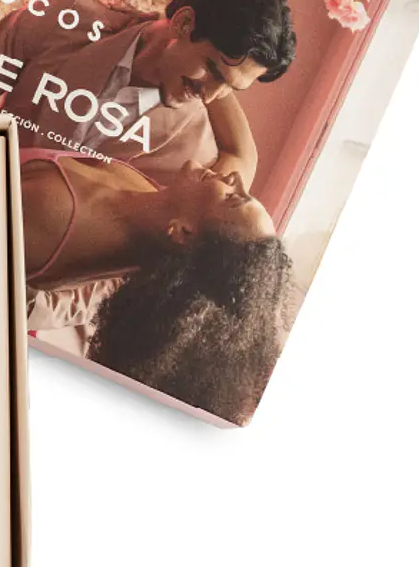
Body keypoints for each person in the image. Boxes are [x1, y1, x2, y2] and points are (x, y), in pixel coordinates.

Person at [0, 0, 296, 190]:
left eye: (229, 88)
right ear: (183, 22)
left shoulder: (194, 153)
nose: (210, 96)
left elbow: (131, 264)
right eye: (212, 71)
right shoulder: (65, 18)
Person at [21, 151, 292, 424]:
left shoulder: (53, 215)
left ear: (183, 232)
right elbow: (241, 154)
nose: (236, 178)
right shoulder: (150, 207)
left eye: (232, 197)